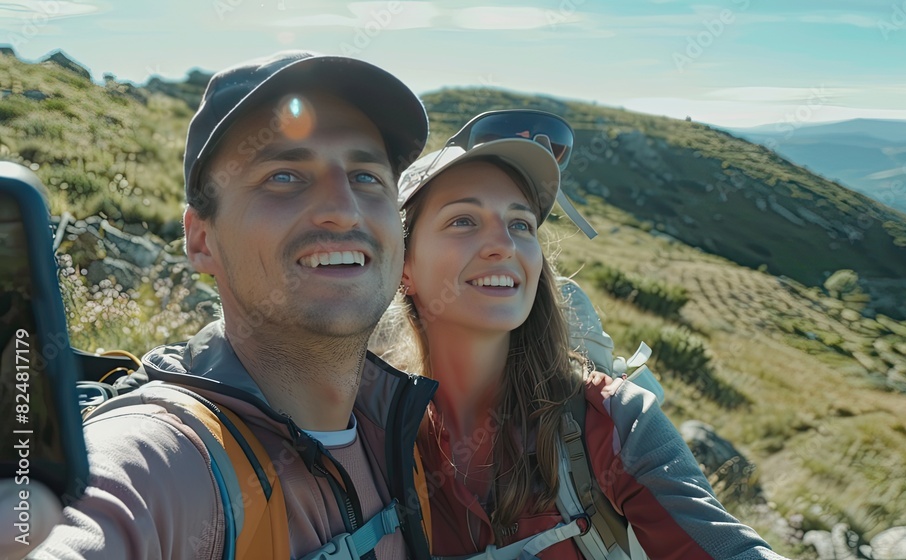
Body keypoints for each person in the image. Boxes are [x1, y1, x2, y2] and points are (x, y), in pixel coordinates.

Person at [16, 50, 438, 559]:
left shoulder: (402, 433)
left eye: (367, 177)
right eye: (284, 176)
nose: (342, 209)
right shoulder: (162, 461)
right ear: (200, 241)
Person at [385, 124, 789, 559]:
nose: (504, 244)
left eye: (521, 223)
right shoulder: (373, 435)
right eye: (463, 220)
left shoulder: (614, 420)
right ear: (403, 267)